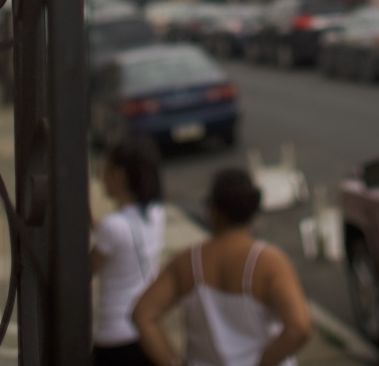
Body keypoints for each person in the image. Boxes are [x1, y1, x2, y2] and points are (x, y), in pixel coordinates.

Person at [131, 169, 309, 366]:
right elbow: (299, 327)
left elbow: (142, 314)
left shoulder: (187, 262)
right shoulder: (270, 263)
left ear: (214, 211)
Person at [91, 137, 165, 366]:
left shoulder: (112, 227)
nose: (101, 176)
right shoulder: (155, 214)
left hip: (114, 336)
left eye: (104, 169)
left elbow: (84, 271)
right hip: (145, 332)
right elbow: (121, 238)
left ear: (119, 175)